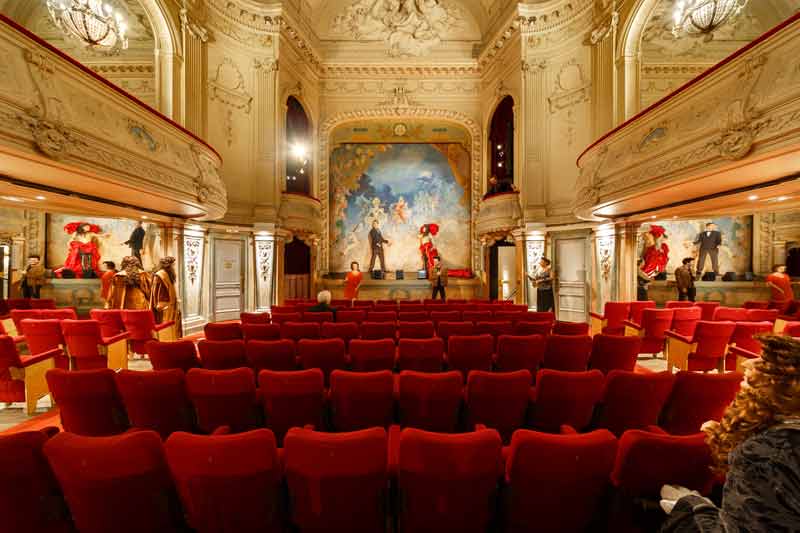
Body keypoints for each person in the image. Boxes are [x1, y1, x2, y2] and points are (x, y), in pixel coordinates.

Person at [659, 335, 800, 532]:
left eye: (766, 363)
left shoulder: (762, 456)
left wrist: (692, 506)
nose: (748, 363)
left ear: (789, 390)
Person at [150, 256, 182, 337]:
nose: (174, 267)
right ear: (169, 266)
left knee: (171, 327)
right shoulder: (161, 275)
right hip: (165, 307)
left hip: (170, 305)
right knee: (166, 327)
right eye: (173, 265)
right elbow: (158, 292)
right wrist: (163, 305)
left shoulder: (167, 274)